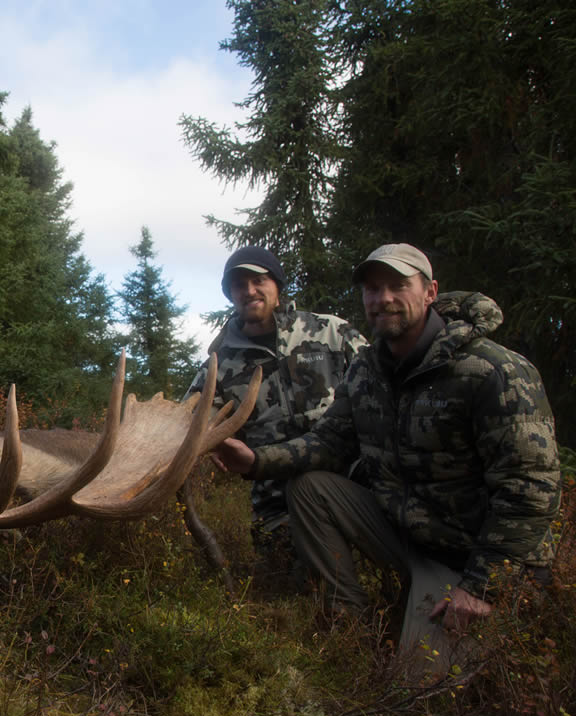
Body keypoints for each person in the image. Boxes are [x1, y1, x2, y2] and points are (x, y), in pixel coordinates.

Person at [213, 243, 560, 661]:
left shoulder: (493, 371)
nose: (384, 299)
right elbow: (330, 443)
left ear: (430, 291)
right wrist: (257, 462)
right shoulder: (367, 370)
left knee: (421, 697)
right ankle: (351, 623)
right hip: (412, 536)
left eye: (398, 286)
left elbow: (530, 489)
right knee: (309, 488)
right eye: (373, 289)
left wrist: (482, 588)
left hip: (474, 559)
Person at [184, 246, 367, 532]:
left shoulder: (330, 332)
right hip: (277, 507)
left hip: (354, 489)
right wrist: (210, 442)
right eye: (239, 285)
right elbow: (188, 419)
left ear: (277, 286)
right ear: (231, 294)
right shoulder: (219, 366)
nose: (249, 290)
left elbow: (381, 391)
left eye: (259, 280)